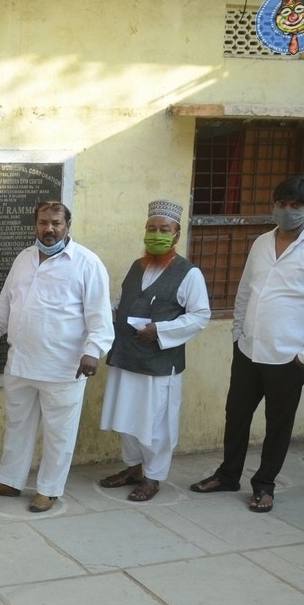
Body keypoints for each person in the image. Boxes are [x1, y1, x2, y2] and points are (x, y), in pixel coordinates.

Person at [189, 177, 304, 513]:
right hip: (248, 349)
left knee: (277, 425)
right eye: (282, 204)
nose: (287, 211)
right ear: (274, 204)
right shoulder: (261, 242)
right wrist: (237, 334)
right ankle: (228, 475)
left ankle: (264, 485)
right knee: (237, 415)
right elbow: (245, 290)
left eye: (295, 206)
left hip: (289, 357)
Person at [0, 200, 114, 512]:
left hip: (64, 367)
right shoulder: (23, 259)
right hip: (20, 362)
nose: (48, 229)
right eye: (43, 223)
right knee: (17, 424)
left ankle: (48, 489)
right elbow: (5, 303)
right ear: (35, 224)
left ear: (67, 226)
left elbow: (100, 317)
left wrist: (92, 352)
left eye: (56, 223)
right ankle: (8, 480)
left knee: (59, 432)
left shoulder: (87, 263)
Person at [98, 199, 211, 501]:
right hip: (127, 356)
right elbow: (125, 303)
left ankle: (154, 476)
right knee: (126, 417)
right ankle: (133, 468)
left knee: (156, 423)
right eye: (151, 228)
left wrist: (160, 330)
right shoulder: (137, 266)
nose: (156, 233)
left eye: (164, 229)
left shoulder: (189, 274)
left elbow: (200, 316)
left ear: (176, 234)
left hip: (159, 362)